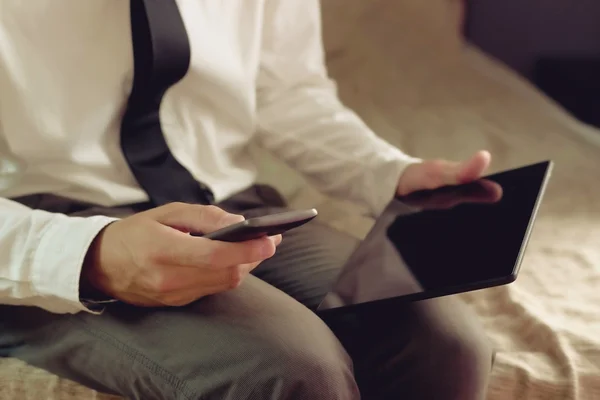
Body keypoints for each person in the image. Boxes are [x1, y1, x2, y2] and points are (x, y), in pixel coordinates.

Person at [0, 1, 494, 399]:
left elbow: (285, 90)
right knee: (292, 371)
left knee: (447, 345)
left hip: (227, 204)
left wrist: (387, 171)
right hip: (43, 217)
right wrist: (82, 256)